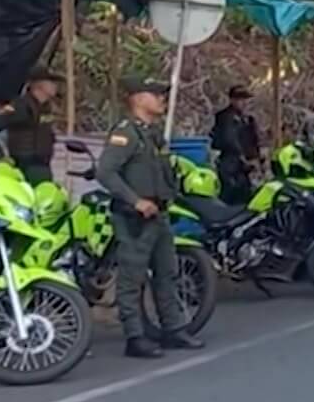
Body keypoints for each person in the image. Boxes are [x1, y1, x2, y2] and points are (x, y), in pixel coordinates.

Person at [97, 79, 202, 359]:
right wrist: (135, 200)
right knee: (132, 278)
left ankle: (173, 329)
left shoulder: (153, 134)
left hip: (159, 214)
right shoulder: (125, 134)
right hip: (134, 218)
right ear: (138, 99)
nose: (161, 100)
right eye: (155, 95)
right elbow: (105, 172)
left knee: (167, 272)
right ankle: (135, 337)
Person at [0, 67, 62, 183]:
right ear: (39, 85)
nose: (55, 85)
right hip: (25, 168)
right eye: (51, 82)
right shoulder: (21, 107)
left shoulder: (45, 107)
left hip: (43, 166)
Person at [210, 84, 261, 204]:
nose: (243, 103)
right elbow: (229, 139)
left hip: (244, 168)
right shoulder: (225, 117)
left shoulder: (248, 119)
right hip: (230, 164)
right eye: (239, 99)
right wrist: (242, 157)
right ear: (232, 100)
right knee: (230, 196)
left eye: (245, 99)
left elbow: (253, 141)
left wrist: (256, 158)